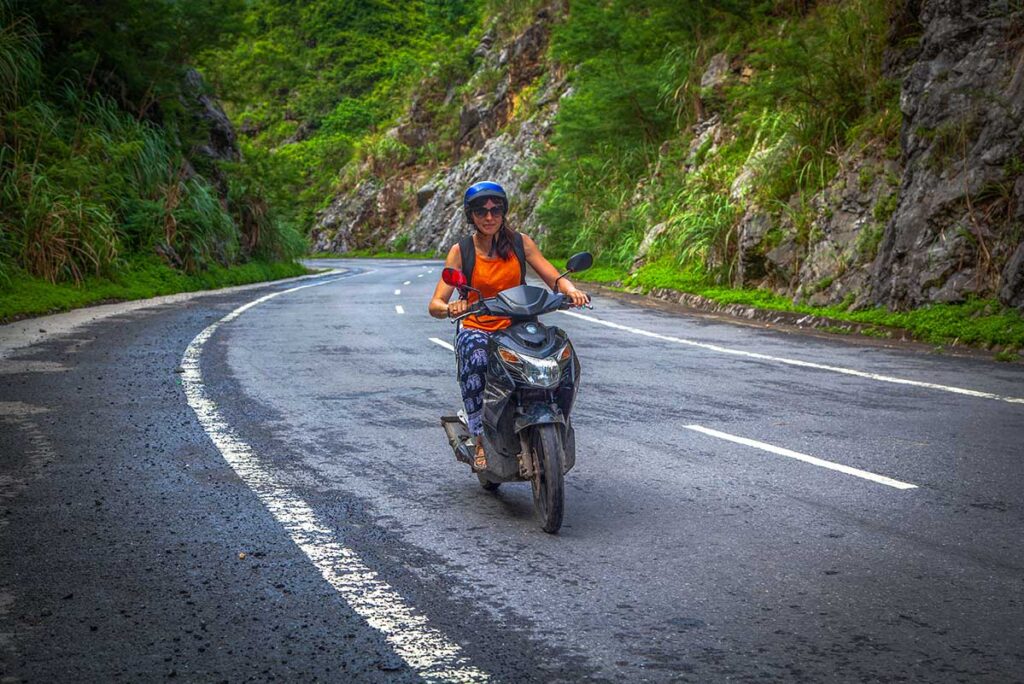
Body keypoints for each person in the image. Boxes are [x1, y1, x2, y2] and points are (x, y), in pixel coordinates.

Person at [428, 181, 589, 472]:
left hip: (518, 325)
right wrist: (452, 307)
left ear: (504, 212)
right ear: (471, 216)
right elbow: (436, 303)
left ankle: (558, 418)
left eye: (495, 210)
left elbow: (553, 276)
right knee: (476, 356)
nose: (489, 217)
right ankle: (479, 436)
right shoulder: (461, 251)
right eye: (481, 211)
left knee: (560, 351)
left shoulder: (520, 242)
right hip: (479, 326)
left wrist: (572, 290)